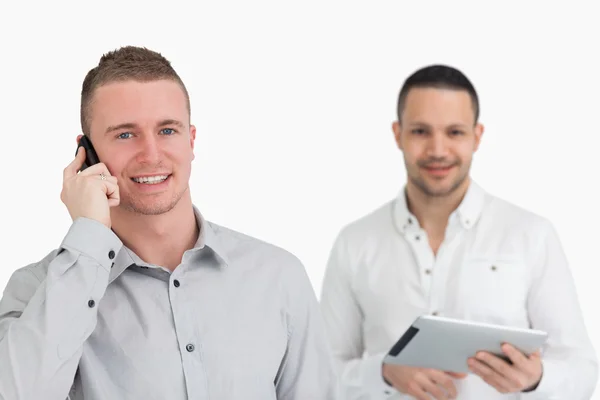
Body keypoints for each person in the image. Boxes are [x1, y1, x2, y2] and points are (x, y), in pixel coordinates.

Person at [0, 46, 338, 400]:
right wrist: (88, 238)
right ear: (86, 153)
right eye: (125, 134)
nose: (151, 155)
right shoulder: (39, 290)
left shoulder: (278, 277)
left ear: (191, 140)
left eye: (167, 131)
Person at [319, 64, 598, 399]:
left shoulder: (531, 235)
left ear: (477, 136)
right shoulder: (355, 242)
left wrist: (536, 378)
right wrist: (383, 371)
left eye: (454, 132)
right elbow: (319, 372)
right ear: (398, 134)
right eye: (421, 131)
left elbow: (581, 370)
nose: (438, 150)